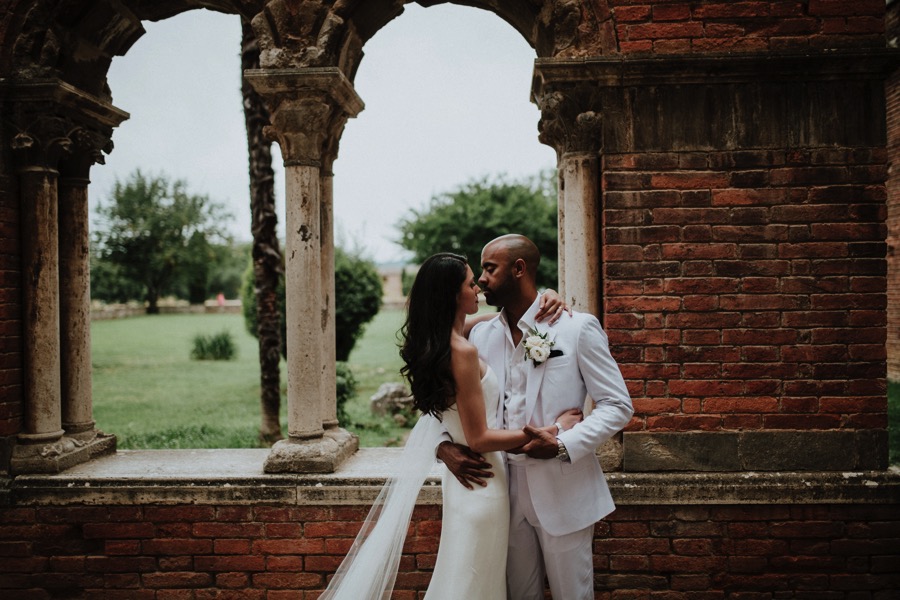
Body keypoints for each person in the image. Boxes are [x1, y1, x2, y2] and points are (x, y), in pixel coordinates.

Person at [319, 252, 578, 600]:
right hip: (484, 480)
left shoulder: (443, 338)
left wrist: (547, 295)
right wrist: (554, 430)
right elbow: (480, 438)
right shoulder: (463, 351)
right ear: (454, 295)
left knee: (464, 573)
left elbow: (504, 318)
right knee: (474, 578)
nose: (479, 287)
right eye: (471, 283)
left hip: (463, 485)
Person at [438, 234, 634, 600]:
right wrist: (442, 445)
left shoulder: (576, 328)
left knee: (572, 594)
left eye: (490, 269)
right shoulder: (479, 334)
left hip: (564, 489)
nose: (481, 279)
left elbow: (617, 404)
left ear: (519, 269)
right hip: (498, 492)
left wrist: (563, 443)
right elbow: (442, 398)